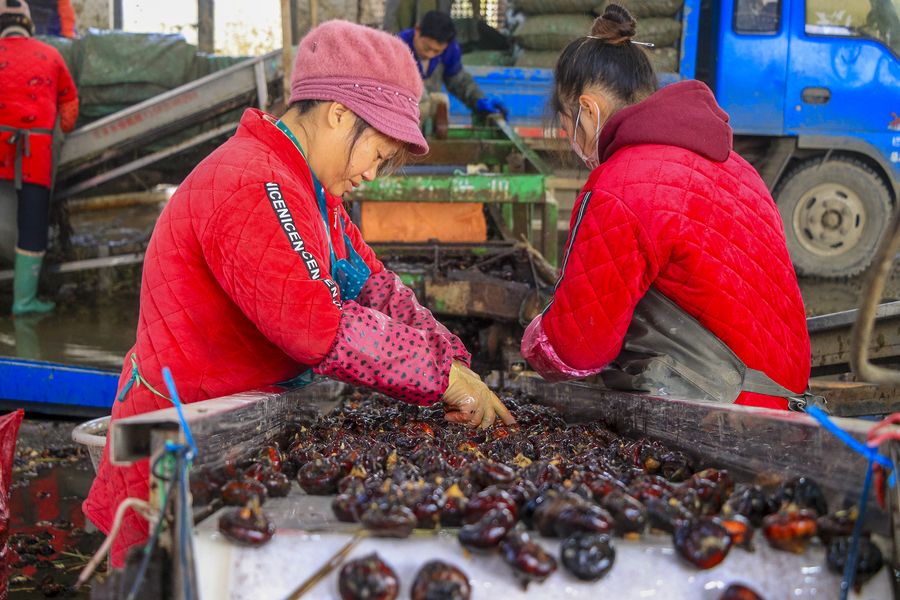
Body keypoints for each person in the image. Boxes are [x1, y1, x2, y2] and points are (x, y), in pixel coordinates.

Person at [84, 20, 514, 567]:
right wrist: (439, 377)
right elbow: (317, 326)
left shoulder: (312, 194)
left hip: (235, 435)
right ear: (340, 113)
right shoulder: (252, 183)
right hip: (183, 445)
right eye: (378, 155)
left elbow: (375, 287)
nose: (372, 175)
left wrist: (453, 359)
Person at [521, 5, 812, 410]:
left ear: (587, 111)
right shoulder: (735, 166)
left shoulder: (618, 186)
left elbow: (576, 351)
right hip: (785, 394)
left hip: (727, 406)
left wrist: (536, 338)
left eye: (568, 121)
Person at [0, 0, 78, 315]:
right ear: (29, 25)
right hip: (36, 155)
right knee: (32, 224)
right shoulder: (51, 55)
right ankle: (24, 301)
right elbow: (70, 110)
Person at [398, 10, 508, 126]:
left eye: (437, 51)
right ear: (417, 30)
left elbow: (458, 81)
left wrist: (479, 100)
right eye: (427, 48)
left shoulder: (450, 50)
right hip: (401, 118)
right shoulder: (397, 47)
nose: (430, 54)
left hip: (428, 124)